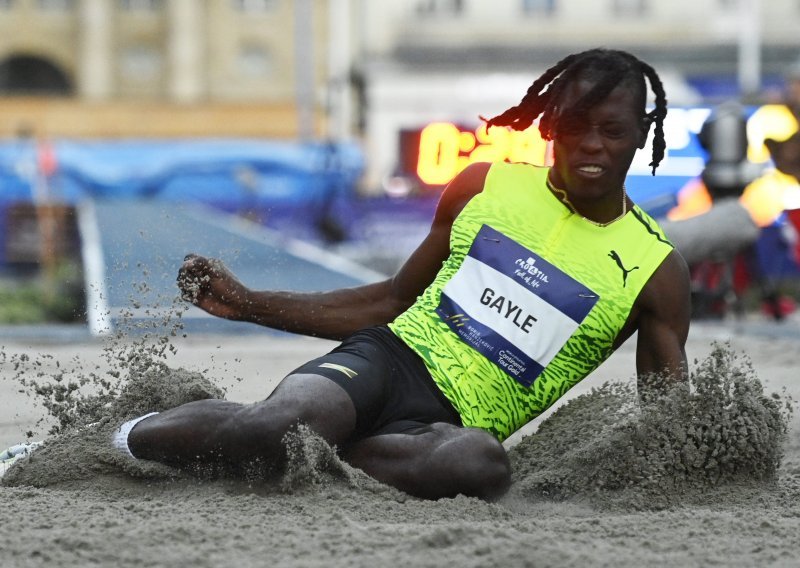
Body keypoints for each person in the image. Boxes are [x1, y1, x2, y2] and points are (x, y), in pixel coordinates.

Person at [113, 48, 690, 501]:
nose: (592, 145)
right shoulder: (483, 185)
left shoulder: (655, 272)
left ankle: (322, 449)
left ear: (642, 131)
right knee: (282, 423)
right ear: (549, 127)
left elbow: (668, 420)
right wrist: (249, 303)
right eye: (575, 127)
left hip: (447, 430)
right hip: (384, 362)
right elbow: (391, 300)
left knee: (483, 467)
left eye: (612, 131)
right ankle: (108, 441)